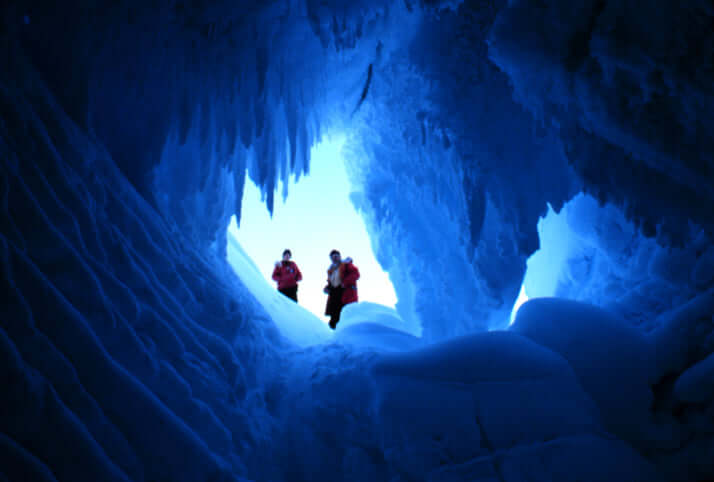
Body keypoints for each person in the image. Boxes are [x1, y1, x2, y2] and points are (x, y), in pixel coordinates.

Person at [323, 249, 360, 329]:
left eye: (336, 256)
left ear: (340, 256)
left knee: (345, 315)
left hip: (345, 294)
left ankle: (346, 335)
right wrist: (327, 288)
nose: (334, 258)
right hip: (334, 295)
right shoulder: (331, 270)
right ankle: (333, 336)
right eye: (332, 257)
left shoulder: (346, 265)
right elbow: (331, 283)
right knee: (334, 317)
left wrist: (345, 282)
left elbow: (356, 274)